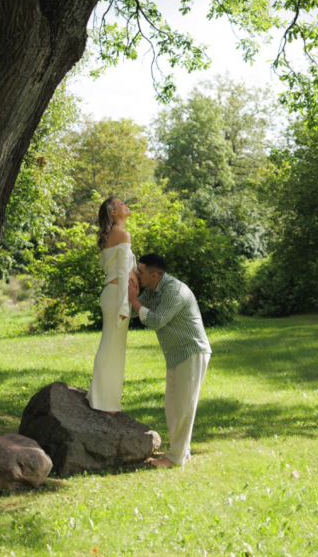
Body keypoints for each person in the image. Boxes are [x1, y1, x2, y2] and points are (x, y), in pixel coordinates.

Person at [128, 253, 211, 467]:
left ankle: (175, 459)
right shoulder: (153, 289)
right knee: (172, 407)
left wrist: (134, 300)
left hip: (191, 352)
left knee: (184, 407)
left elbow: (156, 321)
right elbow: (133, 312)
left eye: (140, 272)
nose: (137, 275)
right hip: (176, 354)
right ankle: (180, 452)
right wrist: (130, 295)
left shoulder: (173, 290)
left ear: (154, 275)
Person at [86, 196, 139, 413]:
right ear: (114, 213)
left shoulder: (112, 235)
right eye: (121, 204)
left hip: (113, 293)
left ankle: (104, 399)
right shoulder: (123, 235)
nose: (126, 205)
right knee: (111, 347)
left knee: (113, 348)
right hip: (117, 295)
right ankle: (102, 401)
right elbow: (124, 272)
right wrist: (125, 305)